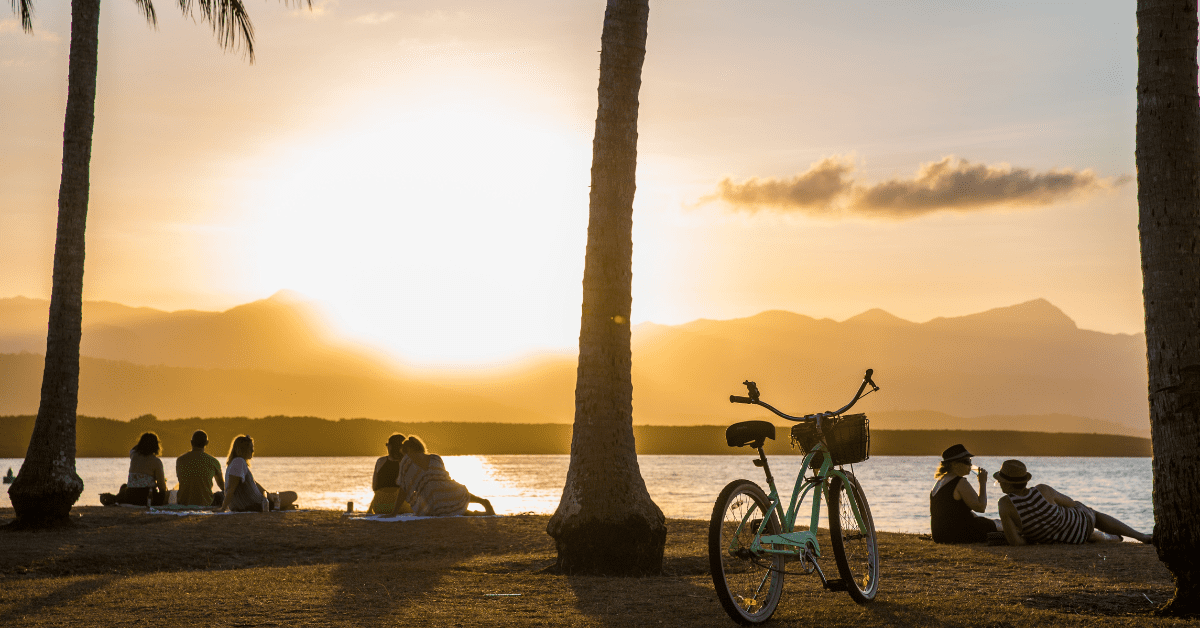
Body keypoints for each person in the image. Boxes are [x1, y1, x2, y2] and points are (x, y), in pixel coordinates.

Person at [995, 459, 1152, 545]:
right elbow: (1070, 503)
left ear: (1008, 484)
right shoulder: (1043, 490)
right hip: (1078, 528)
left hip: (1064, 538)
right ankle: (1140, 536)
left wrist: (1032, 534)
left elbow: (1015, 542)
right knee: (1088, 512)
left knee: (1074, 523)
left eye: (1000, 480)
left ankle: (1111, 538)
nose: (999, 483)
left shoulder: (1005, 504)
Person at [390, 435, 494, 517]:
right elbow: (444, 480)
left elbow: (403, 489)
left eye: (404, 453)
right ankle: (483, 503)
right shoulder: (435, 458)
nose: (404, 455)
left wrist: (394, 513)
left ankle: (479, 509)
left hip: (433, 501)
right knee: (452, 492)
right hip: (447, 494)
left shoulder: (406, 462)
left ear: (408, 450)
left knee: (440, 502)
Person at [929, 444, 1001, 543]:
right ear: (954, 464)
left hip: (940, 535)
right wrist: (982, 482)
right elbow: (981, 507)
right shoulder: (959, 482)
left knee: (989, 522)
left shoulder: (940, 481)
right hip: (959, 533)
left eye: (970, 461)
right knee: (997, 525)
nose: (970, 466)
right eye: (966, 462)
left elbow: (953, 512)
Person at [217, 435, 298, 512]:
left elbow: (255, 483)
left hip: (257, 501)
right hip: (255, 504)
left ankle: (285, 506)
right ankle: (285, 506)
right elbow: (231, 488)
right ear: (242, 449)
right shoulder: (238, 462)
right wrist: (223, 508)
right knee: (292, 495)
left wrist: (268, 495)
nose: (253, 450)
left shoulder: (237, 463)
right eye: (250, 448)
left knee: (282, 497)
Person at [115, 432, 169, 506]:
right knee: (164, 493)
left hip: (130, 498)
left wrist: (142, 444)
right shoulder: (156, 461)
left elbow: (133, 449)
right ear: (156, 446)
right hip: (146, 499)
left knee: (124, 486)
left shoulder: (134, 456)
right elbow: (161, 485)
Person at [175, 430, 225, 507]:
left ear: (191, 442)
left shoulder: (180, 460)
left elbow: (181, 479)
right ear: (207, 443)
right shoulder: (213, 461)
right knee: (222, 495)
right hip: (206, 502)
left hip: (183, 502)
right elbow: (222, 486)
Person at [367, 433, 413, 514]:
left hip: (379, 506)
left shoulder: (380, 461)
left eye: (387, 444)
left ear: (390, 446)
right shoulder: (407, 462)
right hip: (400, 507)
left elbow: (374, 487)